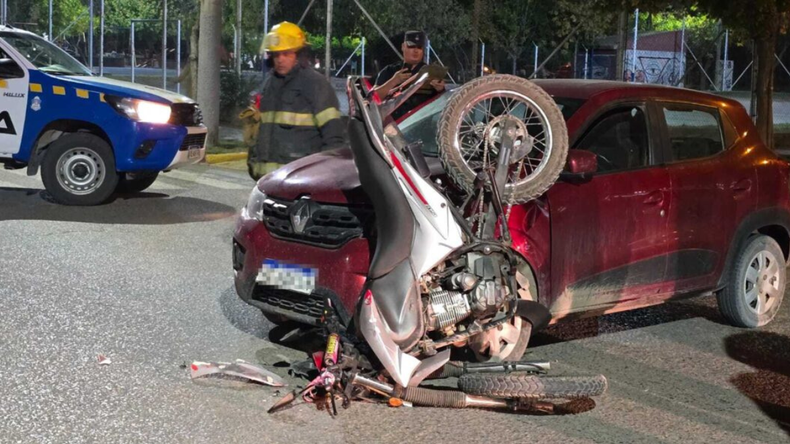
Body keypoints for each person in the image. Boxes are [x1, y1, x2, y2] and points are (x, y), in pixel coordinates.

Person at [248, 21, 346, 180]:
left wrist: (321, 179)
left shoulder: (316, 85)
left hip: (300, 183)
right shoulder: (268, 84)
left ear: (299, 55)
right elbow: (259, 131)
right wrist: (253, 164)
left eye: (286, 53)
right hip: (266, 182)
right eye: (276, 54)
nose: (280, 59)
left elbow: (334, 139)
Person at [373, 31, 445, 121]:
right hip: (392, 126)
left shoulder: (430, 73)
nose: (416, 50)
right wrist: (393, 81)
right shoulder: (389, 71)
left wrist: (440, 90)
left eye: (419, 47)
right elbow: (373, 98)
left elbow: (442, 106)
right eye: (411, 46)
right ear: (403, 47)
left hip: (420, 125)